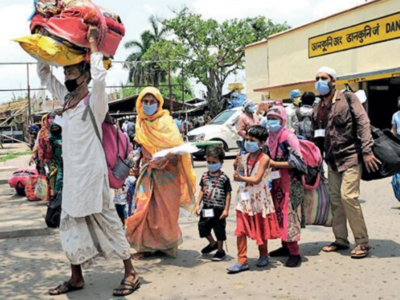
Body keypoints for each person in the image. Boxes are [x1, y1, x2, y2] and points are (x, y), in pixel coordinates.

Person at [38, 26, 139, 297]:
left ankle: (131, 271)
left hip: (93, 177)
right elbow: (44, 74)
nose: (67, 77)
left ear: (84, 76)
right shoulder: (67, 100)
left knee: (108, 222)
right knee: (70, 225)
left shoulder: (94, 102)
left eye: (71, 72)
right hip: (72, 178)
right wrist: (42, 44)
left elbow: (101, 79)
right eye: (66, 72)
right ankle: (76, 276)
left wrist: (93, 45)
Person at [313, 66, 380, 259]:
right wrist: (315, 160)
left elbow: (363, 123)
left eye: (323, 78)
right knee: (335, 200)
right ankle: (340, 239)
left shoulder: (349, 99)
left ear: (333, 81)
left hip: (351, 156)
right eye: (317, 78)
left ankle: (363, 241)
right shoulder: (318, 107)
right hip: (332, 160)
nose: (320, 81)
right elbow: (317, 137)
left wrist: (367, 151)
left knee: (348, 197)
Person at [125, 87, 196, 260]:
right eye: (145, 101)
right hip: (147, 173)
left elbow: (178, 149)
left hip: (168, 175)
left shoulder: (167, 122)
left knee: (165, 213)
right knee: (143, 210)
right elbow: (141, 148)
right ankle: (144, 247)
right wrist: (136, 165)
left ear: (159, 103)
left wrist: (171, 158)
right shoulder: (140, 122)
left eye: (152, 101)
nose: (148, 105)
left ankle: (166, 245)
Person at [227, 125, 280, 274]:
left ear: (262, 143)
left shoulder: (265, 159)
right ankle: (241, 260)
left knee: (261, 227)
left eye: (252, 140)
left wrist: (240, 177)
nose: (248, 142)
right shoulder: (245, 157)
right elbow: (239, 173)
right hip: (243, 199)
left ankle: (263, 254)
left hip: (259, 199)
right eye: (247, 139)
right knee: (241, 229)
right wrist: (235, 165)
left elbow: (256, 179)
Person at [266, 106, 304, 268]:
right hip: (276, 182)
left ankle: (295, 252)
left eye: (275, 118)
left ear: (282, 120)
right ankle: (285, 246)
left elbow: (299, 161)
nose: (271, 121)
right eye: (269, 118)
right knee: (279, 214)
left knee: (289, 215)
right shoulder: (270, 137)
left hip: (290, 181)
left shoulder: (288, 136)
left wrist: (275, 164)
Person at [195, 146, 232, 261]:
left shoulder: (224, 177)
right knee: (203, 227)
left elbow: (228, 193)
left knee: (219, 229)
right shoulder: (205, 176)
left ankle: (220, 251)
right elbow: (202, 190)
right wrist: (197, 205)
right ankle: (212, 243)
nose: (211, 164)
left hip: (219, 208)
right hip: (207, 207)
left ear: (221, 162)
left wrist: (226, 209)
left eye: (214, 162)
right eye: (209, 162)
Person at [48, 122, 63, 194]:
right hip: (56, 161)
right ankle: (56, 192)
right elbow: (57, 143)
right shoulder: (51, 138)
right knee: (57, 176)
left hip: (65, 159)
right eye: (53, 128)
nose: (55, 130)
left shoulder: (64, 135)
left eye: (56, 128)